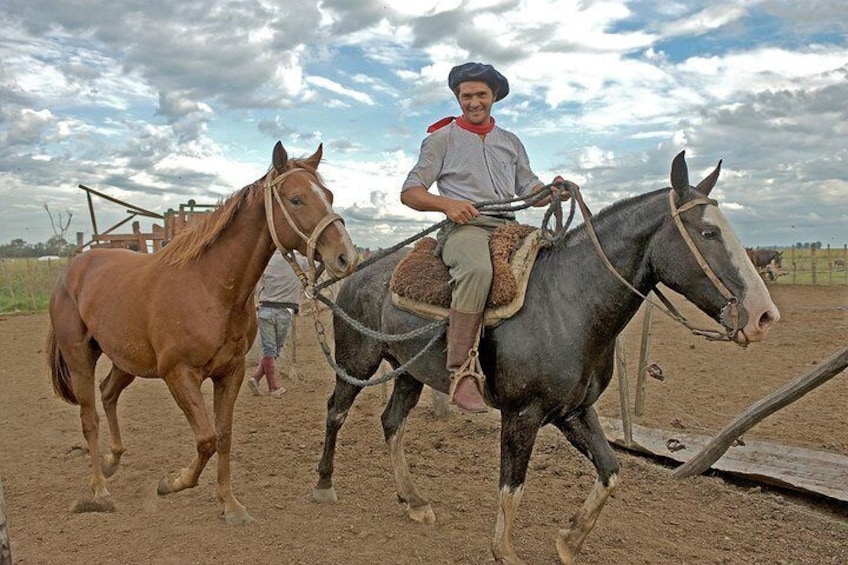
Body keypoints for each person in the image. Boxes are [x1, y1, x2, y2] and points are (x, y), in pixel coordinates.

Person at [400, 61, 572, 412]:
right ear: (457, 97)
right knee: (478, 271)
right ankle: (461, 369)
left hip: (510, 226)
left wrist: (552, 191)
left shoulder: (510, 142)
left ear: (494, 97)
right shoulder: (441, 140)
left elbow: (529, 187)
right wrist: (447, 204)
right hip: (466, 227)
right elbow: (411, 191)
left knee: (562, 263)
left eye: (481, 95)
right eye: (466, 96)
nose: (473, 102)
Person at [246, 251, 307, 398]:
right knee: (272, 351)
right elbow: (318, 264)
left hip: (265, 309)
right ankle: (273, 388)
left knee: (270, 351)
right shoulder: (298, 261)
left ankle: (255, 379)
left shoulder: (265, 259)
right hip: (284, 311)